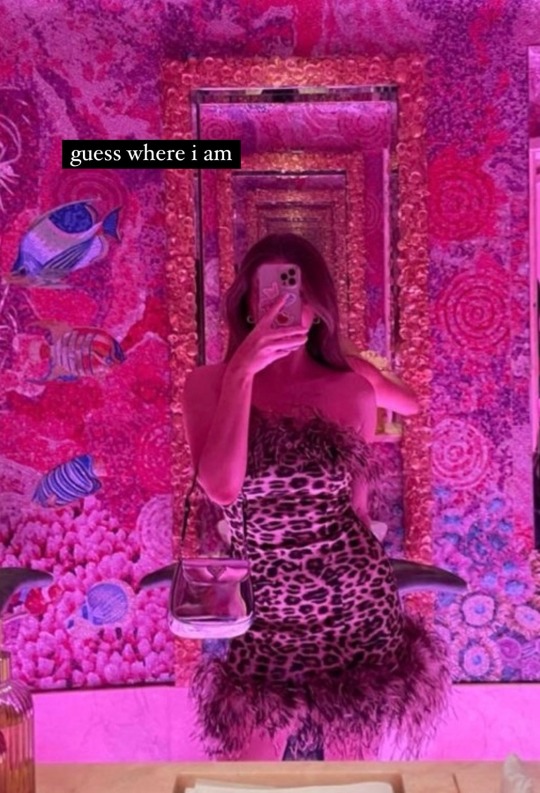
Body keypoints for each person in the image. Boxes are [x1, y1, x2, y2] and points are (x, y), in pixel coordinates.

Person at [182, 232, 449, 760]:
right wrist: (242, 373)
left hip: (353, 605)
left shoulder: (350, 388)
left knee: (352, 778)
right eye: (270, 291)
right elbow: (221, 488)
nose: (284, 306)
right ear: (246, 302)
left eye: (298, 292)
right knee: (245, 777)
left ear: (319, 307)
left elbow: (356, 506)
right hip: (265, 611)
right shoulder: (208, 384)